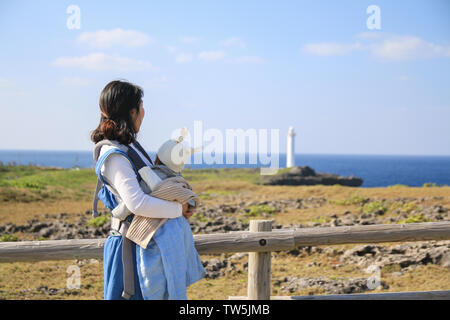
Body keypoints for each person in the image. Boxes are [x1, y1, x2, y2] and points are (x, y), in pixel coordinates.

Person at [90, 80, 204, 300]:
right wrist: (177, 209)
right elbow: (137, 203)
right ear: (132, 112)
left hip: (144, 245)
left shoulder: (128, 146)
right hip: (132, 249)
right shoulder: (114, 155)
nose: (144, 112)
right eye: (141, 106)